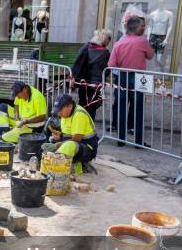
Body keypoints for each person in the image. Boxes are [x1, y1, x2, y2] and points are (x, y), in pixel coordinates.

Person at [108, 16, 154, 148]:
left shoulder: (119, 43)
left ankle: (121, 139)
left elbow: (111, 64)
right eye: (142, 26)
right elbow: (150, 55)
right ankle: (138, 142)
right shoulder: (142, 41)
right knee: (138, 110)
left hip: (122, 77)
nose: (144, 28)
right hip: (138, 78)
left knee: (121, 108)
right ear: (135, 27)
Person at [44, 94, 98, 174]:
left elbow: (76, 139)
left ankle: (55, 168)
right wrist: (60, 136)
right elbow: (68, 134)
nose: (59, 114)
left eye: (60, 110)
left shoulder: (79, 115)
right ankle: (73, 163)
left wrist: (57, 145)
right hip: (77, 144)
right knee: (52, 140)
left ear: (69, 106)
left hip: (88, 149)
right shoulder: (65, 115)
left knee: (68, 146)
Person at [71, 28, 111, 121]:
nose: (110, 40)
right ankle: (89, 129)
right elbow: (107, 69)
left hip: (83, 81)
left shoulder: (86, 47)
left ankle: (80, 125)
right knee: (92, 108)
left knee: (82, 104)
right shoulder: (105, 52)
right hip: (95, 84)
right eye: (109, 38)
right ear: (105, 39)